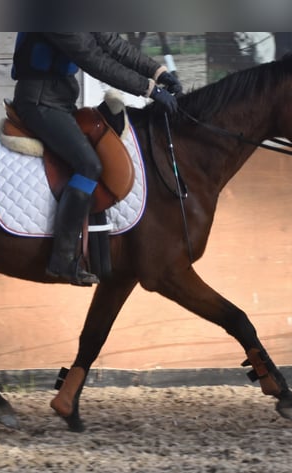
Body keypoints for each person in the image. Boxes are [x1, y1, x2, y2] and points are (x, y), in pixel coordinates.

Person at [11, 32, 183, 285]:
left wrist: (159, 73)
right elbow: (92, 58)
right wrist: (150, 90)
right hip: (39, 102)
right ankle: (62, 259)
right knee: (88, 165)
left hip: (61, 100)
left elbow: (112, 43)